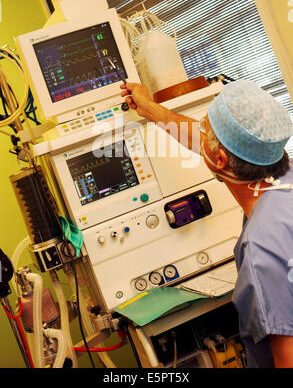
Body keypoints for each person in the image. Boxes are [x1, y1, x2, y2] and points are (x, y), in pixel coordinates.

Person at [121, 79, 293, 368]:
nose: (199, 132)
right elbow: (215, 141)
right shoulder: (279, 173)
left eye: (205, 128)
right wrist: (150, 109)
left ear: (220, 159)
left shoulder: (261, 252)